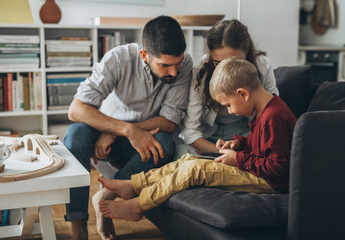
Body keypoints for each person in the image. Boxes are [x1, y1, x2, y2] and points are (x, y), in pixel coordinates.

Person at [96, 57, 297, 222]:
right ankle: (135, 185)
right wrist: (238, 143)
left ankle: (139, 205)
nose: (230, 111)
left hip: (269, 183)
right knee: (188, 160)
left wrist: (238, 159)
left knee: (196, 170)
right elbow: (261, 147)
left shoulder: (273, 117)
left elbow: (278, 167)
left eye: (228, 105)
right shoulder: (265, 110)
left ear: (242, 94)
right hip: (256, 171)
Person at [64, 15, 193, 240]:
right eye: (165, 65)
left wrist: (130, 131)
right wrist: (123, 130)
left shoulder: (185, 65)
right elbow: (76, 110)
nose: (174, 72)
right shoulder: (119, 59)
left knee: (165, 142)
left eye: (178, 63)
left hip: (141, 137)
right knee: (75, 134)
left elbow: (170, 122)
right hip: (103, 134)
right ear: (145, 55)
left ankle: (106, 196)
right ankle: (78, 226)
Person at [175, 19, 279, 159]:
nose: (226, 70)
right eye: (218, 63)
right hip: (209, 137)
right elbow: (190, 130)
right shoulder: (201, 70)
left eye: (235, 61)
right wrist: (223, 154)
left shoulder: (262, 66)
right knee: (182, 153)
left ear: (247, 54)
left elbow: (271, 113)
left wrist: (239, 152)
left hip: (247, 135)